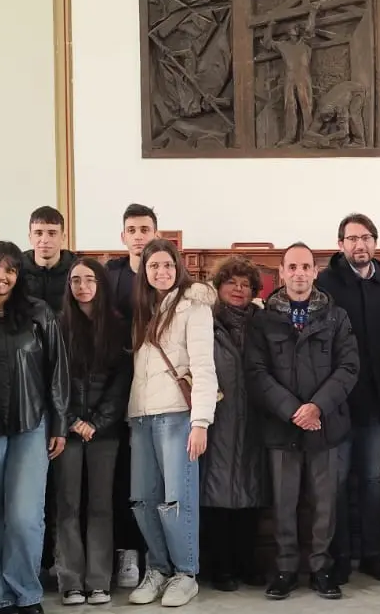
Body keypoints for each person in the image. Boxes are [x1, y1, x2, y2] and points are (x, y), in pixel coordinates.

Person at [0, 241, 71, 614]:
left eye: (10, 270)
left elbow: (57, 371)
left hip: (31, 426)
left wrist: (58, 422)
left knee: (25, 517)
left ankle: (26, 592)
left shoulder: (39, 313)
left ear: (18, 275)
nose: (1, 277)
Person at [247, 243, 359, 601]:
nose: (298, 273)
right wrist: (292, 409)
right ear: (280, 273)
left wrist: (316, 408)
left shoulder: (336, 316)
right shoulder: (263, 320)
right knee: (284, 502)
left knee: (325, 502)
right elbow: (257, 372)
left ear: (314, 272)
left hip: (326, 426)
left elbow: (348, 367)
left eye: (305, 267)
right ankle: (285, 569)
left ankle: (321, 568)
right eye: (291, 267)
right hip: (282, 427)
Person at [126, 237, 218, 607]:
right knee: (143, 500)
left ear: (177, 267)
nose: (161, 272)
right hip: (141, 415)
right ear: (144, 272)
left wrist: (201, 422)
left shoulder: (193, 306)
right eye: (153, 267)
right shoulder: (141, 307)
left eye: (167, 265)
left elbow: (203, 367)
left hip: (178, 415)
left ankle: (185, 572)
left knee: (176, 500)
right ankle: (159, 568)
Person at [314, 213, 380, 585]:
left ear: (375, 243)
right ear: (340, 245)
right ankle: (341, 556)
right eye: (352, 238)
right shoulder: (326, 282)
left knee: (372, 481)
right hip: (338, 401)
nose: (359, 244)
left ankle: (372, 554)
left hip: (377, 401)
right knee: (338, 482)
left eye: (366, 238)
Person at [52, 258, 132, 607]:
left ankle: (99, 580)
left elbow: (121, 383)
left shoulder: (117, 327)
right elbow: (50, 380)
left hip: (105, 430)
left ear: (100, 285)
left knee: (101, 505)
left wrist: (97, 421)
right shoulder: (56, 326)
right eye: (75, 280)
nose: (82, 286)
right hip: (66, 430)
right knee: (67, 504)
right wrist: (71, 419)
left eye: (89, 280)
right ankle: (70, 579)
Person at [201, 256, 270, 592]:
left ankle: (246, 564)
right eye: (231, 283)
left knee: (250, 494)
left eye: (245, 284)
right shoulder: (205, 321)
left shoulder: (263, 322)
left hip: (255, 419)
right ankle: (220, 567)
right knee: (216, 493)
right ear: (219, 287)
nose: (239, 289)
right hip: (217, 420)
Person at [105, 203, 160, 588]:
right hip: (116, 386)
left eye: (145, 229)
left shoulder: (166, 273)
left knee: (155, 477)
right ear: (122, 236)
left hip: (157, 389)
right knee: (123, 476)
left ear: (156, 234)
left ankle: (157, 555)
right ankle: (127, 553)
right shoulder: (110, 277)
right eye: (132, 229)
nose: (139, 235)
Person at [21, 206, 75, 313]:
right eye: (38, 233)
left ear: (63, 238)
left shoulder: (76, 268)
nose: (45, 240)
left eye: (52, 233)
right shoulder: (16, 267)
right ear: (30, 237)